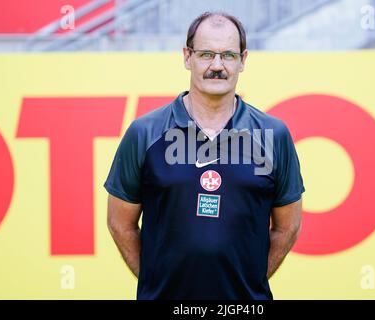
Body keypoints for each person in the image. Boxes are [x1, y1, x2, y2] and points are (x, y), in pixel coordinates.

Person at [104, 12, 305, 300]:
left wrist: (246, 283)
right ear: (187, 57)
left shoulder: (273, 136)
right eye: (206, 54)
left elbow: (288, 227)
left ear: (243, 60)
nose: (217, 66)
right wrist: (158, 282)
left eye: (228, 56)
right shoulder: (144, 133)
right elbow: (120, 223)